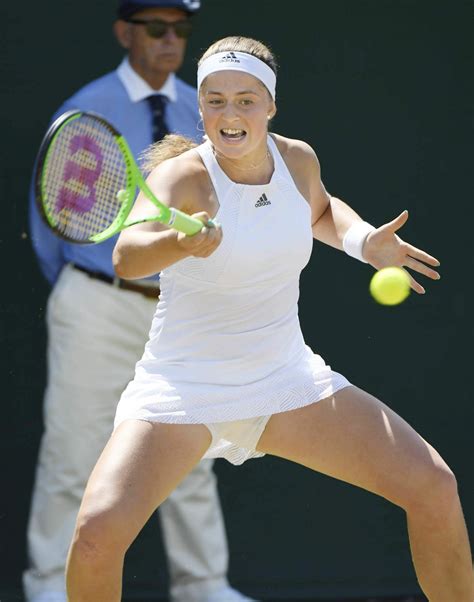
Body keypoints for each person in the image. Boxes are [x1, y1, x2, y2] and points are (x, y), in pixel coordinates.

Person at [65, 35, 473, 602]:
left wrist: (362, 243)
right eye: (215, 100)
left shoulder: (297, 160)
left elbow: (322, 211)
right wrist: (181, 246)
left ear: (271, 105)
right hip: (183, 390)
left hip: (285, 382)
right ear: (200, 104)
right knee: (94, 537)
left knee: (434, 485)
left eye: (245, 100)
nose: (229, 114)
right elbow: (127, 255)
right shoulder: (181, 179)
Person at [26, 4, 257, 602]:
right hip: (97, 304)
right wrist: (104, 285)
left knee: (191, 453)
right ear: (125, 32)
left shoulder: (206, 113)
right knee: (72, 451)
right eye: (156, 28)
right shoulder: (88, 109)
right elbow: (56, 227)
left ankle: (204, 586)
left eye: (180, 29)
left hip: (181, 310)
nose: (170, 40)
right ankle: (51, 586)